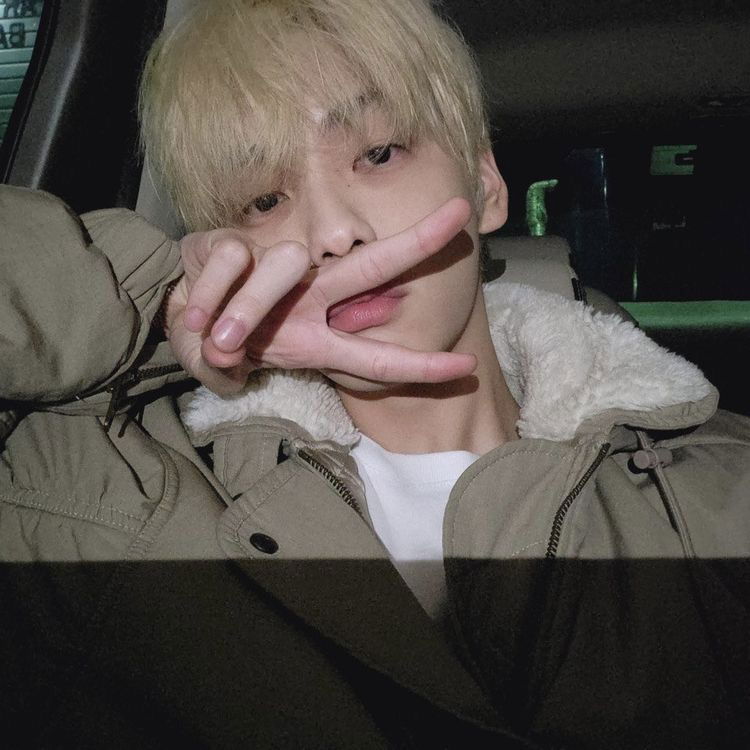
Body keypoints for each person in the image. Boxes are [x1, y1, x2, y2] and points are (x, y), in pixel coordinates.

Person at [1, 1, 748, 748]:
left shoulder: (720, 493)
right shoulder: (106, 491)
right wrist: (158, 299)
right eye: (264, 199)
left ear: (486, 183)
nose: (333, 233)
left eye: (380, 153)